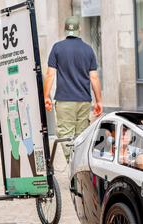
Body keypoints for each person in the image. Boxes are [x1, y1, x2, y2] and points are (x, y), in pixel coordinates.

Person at [44, 16, 103, 162]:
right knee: (81, 136)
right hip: (84, 101)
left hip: (64, 102)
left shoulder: (57, 48)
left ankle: (72, 167)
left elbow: (50, 74)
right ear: (79, 30)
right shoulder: (88, 50)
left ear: (65, 30)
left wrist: (46, 97)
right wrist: (99, 101)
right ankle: (79, 170)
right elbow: (94, 77)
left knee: (66, 136)